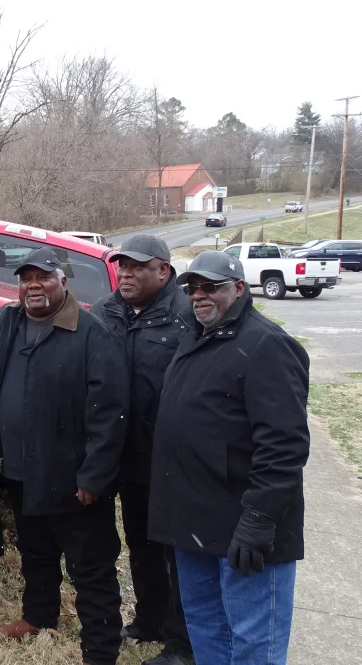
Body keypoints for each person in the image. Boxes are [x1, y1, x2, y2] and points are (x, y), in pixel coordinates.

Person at [149, 251, 310, 665]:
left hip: (245, 529)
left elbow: (285, 445)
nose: (200, 295)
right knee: (206, 629)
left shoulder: (266, 344)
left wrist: (259, 519)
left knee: (254, 642)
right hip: (194, 524)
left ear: (239, 288)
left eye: (212, 287)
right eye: (193, 288)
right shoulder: (196, 337)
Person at [0, 246, 127, 665]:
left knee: (91, 567)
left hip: (71, 478)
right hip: (19, 469)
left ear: (62, 281)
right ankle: (39, 616)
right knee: (36, 551)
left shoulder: (90, 333)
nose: (33, 285)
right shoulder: (8, 322)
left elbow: (109, 413)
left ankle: (100, 650)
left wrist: (94, 477)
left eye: (43, 277)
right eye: (25, 278)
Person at [90, 235, 195, 665]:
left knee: (176, 551)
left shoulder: (187, 318)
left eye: (137, 267)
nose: (126, 274)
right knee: (140, 542)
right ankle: (149, 620)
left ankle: (182, 641)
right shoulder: (106, 312)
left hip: (169, 459)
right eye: (123, 266)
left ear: (163, 271)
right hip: (121, 454)